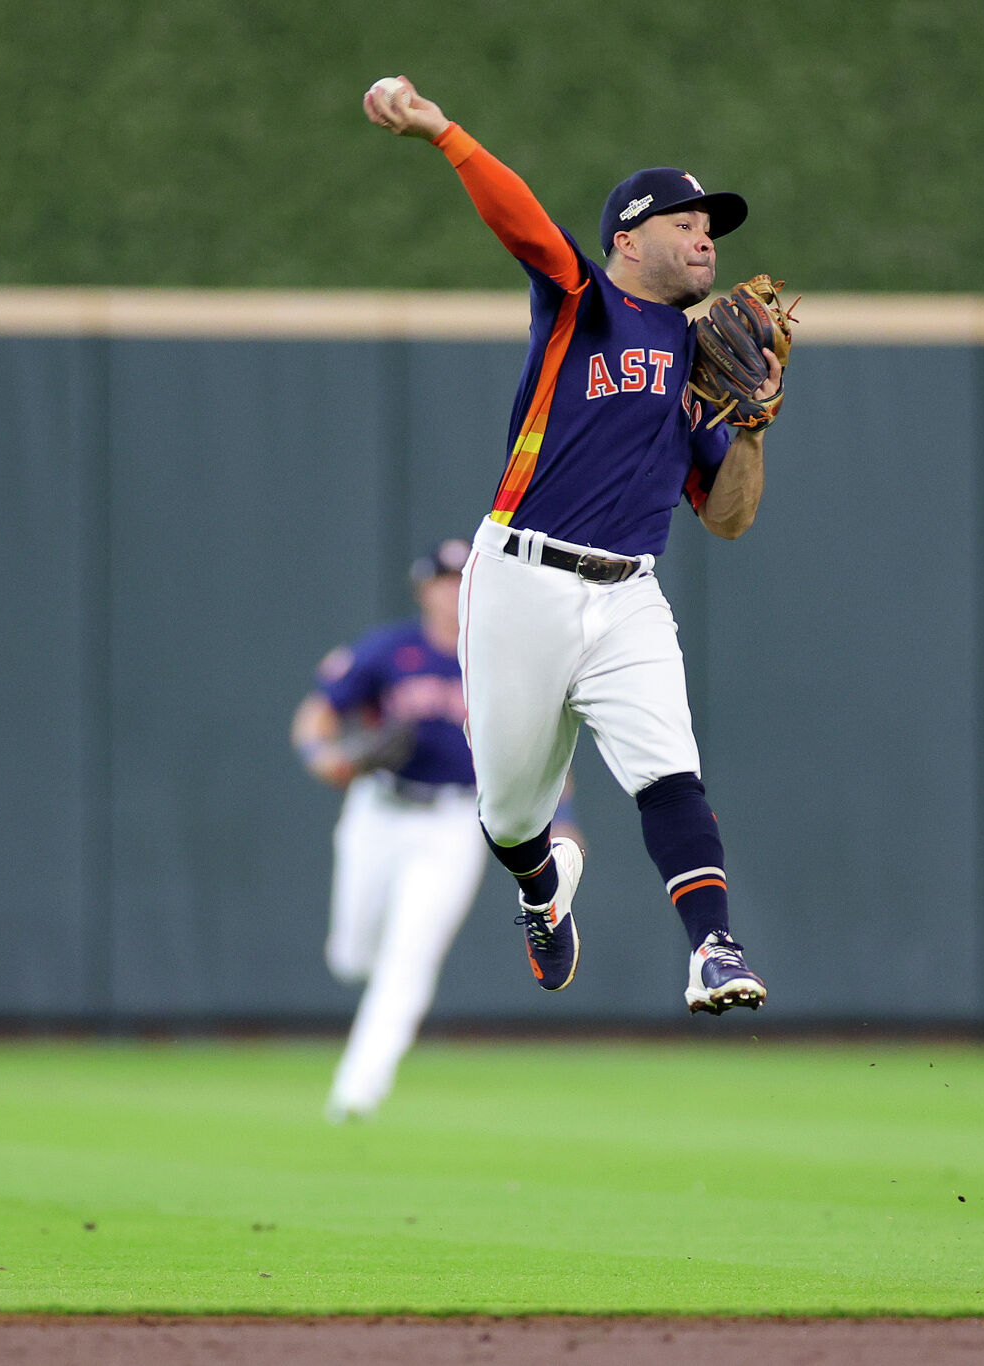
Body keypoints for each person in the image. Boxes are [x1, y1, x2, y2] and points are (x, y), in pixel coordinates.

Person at [360, 75, 775, 1014]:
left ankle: (713, 945)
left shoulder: (706, 364)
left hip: (631, 591)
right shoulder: (584, 302)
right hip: (520, 578)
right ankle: (542, 891)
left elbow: (729, 515)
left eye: (712, 223)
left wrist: (749, 427)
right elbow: (524, 223)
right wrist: (442, 131)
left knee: (669, 770)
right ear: (628, 238)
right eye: (686, 219)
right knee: (508, 813)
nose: (707, 232)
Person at [293, 538, 553, 1121]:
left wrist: (562, 821)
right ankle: (358, 974)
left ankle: (357, 1091)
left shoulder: (501, 659)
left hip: (455, 822)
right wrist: (321, 754)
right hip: (378, 811)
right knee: (353, 954)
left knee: (409, 957)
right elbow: (317, 713)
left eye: (463, 579)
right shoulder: (388, 651)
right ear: (422, 589)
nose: (452, 590)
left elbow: (542, 751)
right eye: (442, 579)